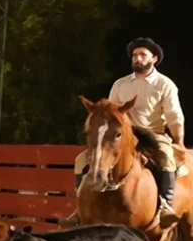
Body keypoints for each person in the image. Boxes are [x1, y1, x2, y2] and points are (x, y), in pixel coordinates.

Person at [63, 37, 184, 228]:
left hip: (153, 134)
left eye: (143, 55)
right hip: (123, 134)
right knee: (80, 161)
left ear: (154, 58)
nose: (137, 58)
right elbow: (109, 112)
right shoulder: (121, 84)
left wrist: (179, 141)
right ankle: (80, 209)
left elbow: (174, 116)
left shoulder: (164, 84)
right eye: (135, 55)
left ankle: (165, 208)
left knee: (166, 157)